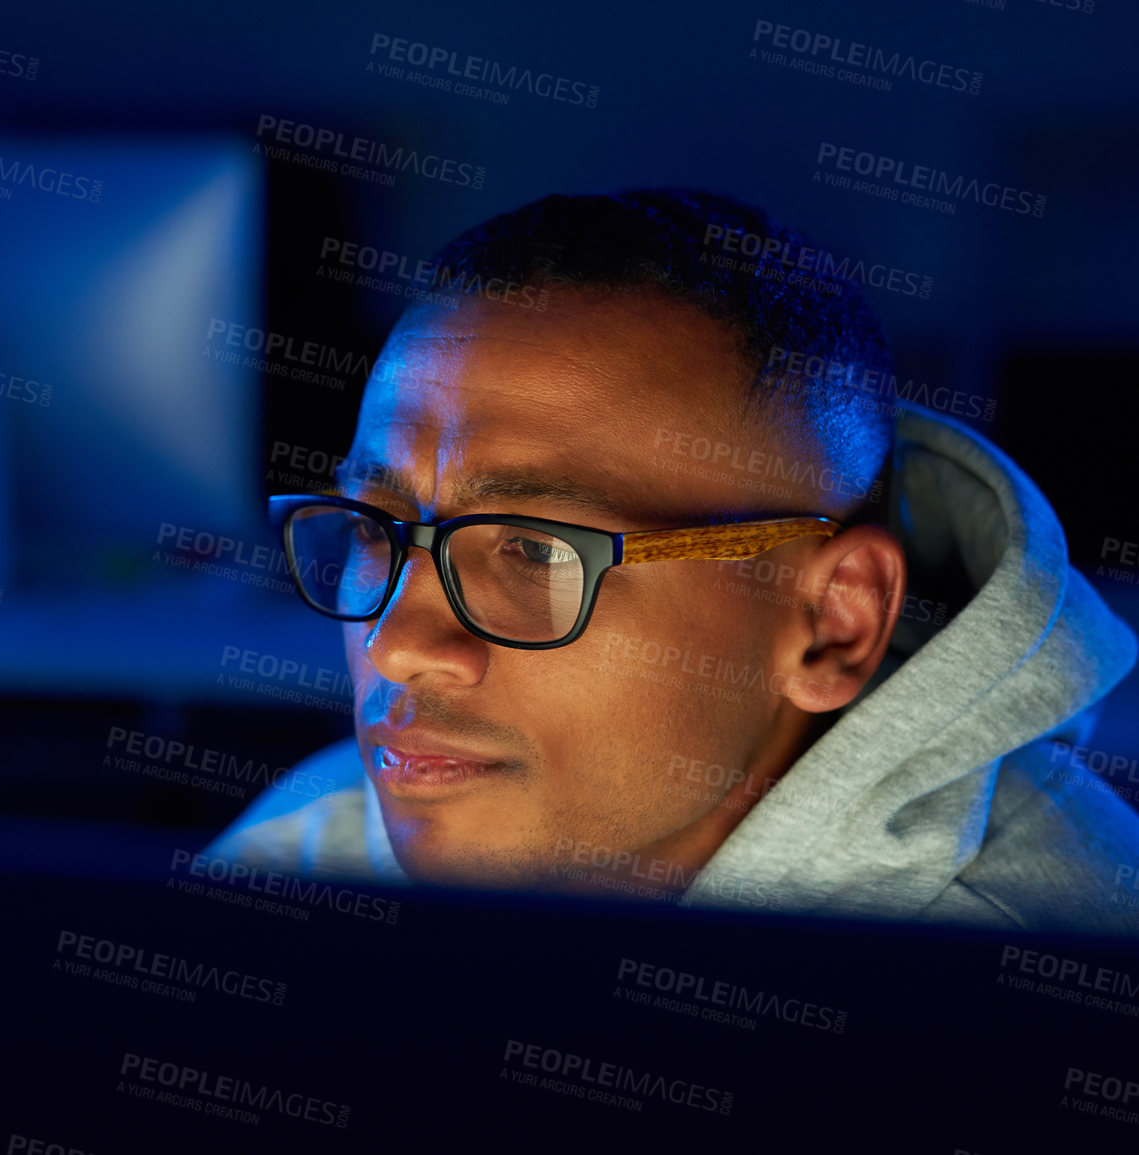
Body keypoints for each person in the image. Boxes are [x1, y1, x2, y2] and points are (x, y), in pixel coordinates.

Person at [205, 189, 1139, 935]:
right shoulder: (306, 849)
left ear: (832, 624)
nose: (401, 645)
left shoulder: (1031, 992)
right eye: (375, 528)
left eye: (533, 548)